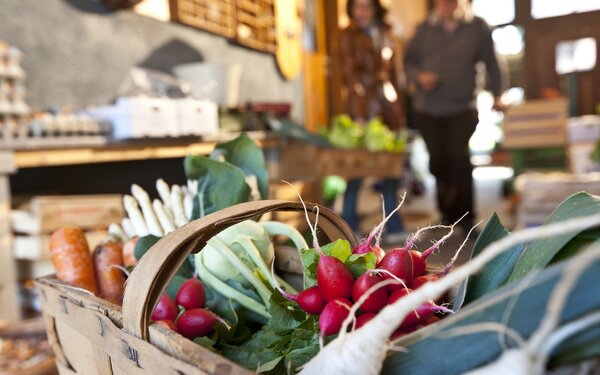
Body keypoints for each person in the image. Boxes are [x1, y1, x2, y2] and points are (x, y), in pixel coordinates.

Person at [404, 0, 505, 230]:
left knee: (458, 157)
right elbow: (408, 62)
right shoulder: (423, 29)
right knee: (438, 160)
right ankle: (447, 212)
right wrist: (419, 77)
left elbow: (492, 63)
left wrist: (498, 94)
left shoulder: (477, 27)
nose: (446, 4)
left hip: (463, 106)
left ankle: (467, 217)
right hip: (428, 108)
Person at [339, 0, 407, 240]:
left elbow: (396, 75)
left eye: (367, 6)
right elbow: (350, 75)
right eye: (358, 6)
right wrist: (359, 113)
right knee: (357, 167)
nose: (362, 12)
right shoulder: (348, 35)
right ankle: (348, 224)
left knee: (390, 167)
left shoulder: (387, 33)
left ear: (375, 8)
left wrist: (399, 112)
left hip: (388, 103)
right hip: (363, 104)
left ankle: (394, 225)